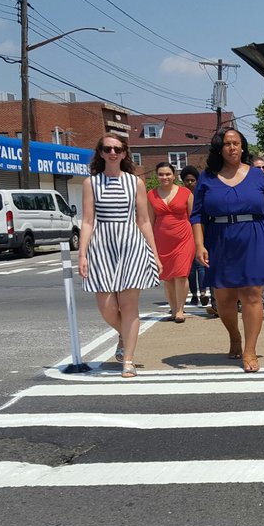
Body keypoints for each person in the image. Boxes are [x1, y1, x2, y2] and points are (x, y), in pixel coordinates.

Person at [190, 128, 264, 373]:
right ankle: (234, 336)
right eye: (227, 143)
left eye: (237, 143)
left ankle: (250, 349)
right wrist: (199, 245)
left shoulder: (256, 175)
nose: (232, 147)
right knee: (225, 298)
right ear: (219, 148)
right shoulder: (207, 177)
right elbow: (197, 214)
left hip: (254, 237)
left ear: (243, 147)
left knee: (253, 293)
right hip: (219, 240)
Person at [78, 132, 161, 379]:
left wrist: (154, 254)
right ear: (100, 153)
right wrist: (82, 254)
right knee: (106, 307)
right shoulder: (90, 183)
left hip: (130, 243)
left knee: (128, 306)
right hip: (101, 244)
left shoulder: (135, 183)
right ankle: (125, 334)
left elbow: (144, 221)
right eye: (107, 149)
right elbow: (87, 221)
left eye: (117, 149)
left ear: (124, 153)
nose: (112, 153)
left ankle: (128, 360)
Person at [147, 162, 195, 323]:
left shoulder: (185, 192)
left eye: (168, 174)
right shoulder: (151, 195)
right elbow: (149, 221)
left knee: (181, 275)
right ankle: (173, 309)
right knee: (167, 277)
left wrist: (199, 240)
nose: (164, 177)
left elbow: (193, 217)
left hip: (184, 238)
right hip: (162, 240)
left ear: (174, 175)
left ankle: (181, 309)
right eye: (161, 174)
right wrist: (149, 243)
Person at [180, 166, 209, 308]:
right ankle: (194, 295)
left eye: (192, 180)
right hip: (185, 234)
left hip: (199, 233)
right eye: (187, 180)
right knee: (190, 269)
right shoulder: (181, 194)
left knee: (200, 265)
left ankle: (203, 291)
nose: (190, 183)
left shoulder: (201, 194)